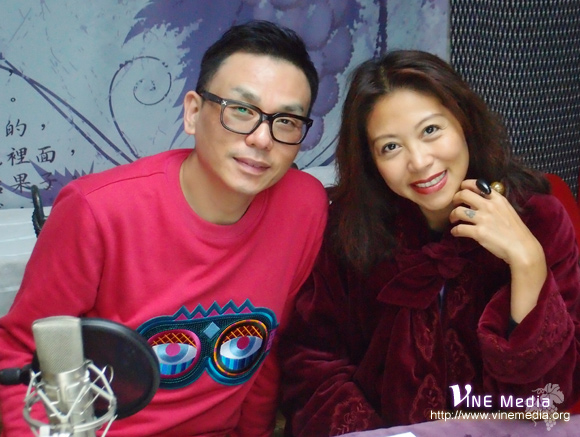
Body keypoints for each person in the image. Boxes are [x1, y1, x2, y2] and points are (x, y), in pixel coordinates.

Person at [0, 20, 328, 436]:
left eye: (286, 121)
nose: (262, 139)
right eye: (241, 110)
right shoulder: (97, 211)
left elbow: (265, 349)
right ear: (193, 112)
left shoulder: (304, 207)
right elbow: (19, 353)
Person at [279, 50, 580, 435]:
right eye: (390, 147)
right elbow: (311, 367)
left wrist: (528, 262)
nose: (419, 161)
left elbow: (545, 401)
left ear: (464, 122)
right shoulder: (348, 231)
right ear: (371, 161)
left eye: (431, 130)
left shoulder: (539, 219)